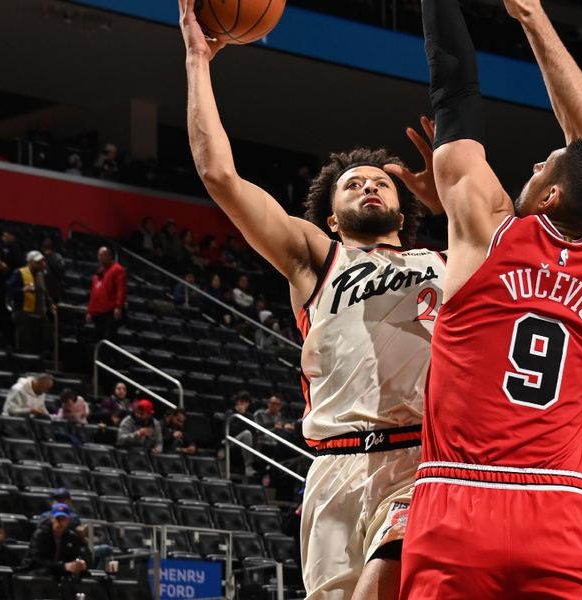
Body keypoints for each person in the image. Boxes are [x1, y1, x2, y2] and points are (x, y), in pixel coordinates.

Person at [179, 1, 446, 595]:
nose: (371, 185)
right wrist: (199, 59)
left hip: (420, 462)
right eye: (355, 184)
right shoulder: (316, 258)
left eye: (381, 181)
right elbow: (219, 176)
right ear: (331, 216)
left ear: (406, 208)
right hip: (333, 467)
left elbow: (513, 229)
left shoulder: (448, 262)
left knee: (387, 581)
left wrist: (453, 200)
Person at [399, 1, 582, 598]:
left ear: (552, 194)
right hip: (559, 509)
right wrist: (533, 17)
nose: (535, 163)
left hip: (459, 500)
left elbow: (453, 88)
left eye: (544, 166)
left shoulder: (487, 229)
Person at [21, 502, 90, 597]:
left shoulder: (71, 537)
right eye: (57, 519)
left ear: (68, 520)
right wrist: (63, 566)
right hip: (36, 572)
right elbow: (37, 560)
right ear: (52, 518)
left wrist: (81, 564)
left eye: (63, 519)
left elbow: (76, 556)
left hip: (58, 573)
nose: (60, 523)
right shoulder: (40, 535)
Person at [6, 250, 51, 355]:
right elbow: (10, 290)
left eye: (42, 262)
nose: (41, 264)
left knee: (40, 343)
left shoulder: (41, 275)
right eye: (38, 262)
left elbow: (44, 292)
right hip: (24, 313)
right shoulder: (20, 273)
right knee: (26, 344)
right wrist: (22, 290)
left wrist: (50, 303)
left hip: (39, 314)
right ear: (30, 262)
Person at [86, 247, 127, 343]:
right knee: (98, 339)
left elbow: (121, 290)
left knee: (109, 339)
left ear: (109, 256)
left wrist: (118, 307)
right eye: (98, 255)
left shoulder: (118, 270)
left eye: (102, 255)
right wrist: (89, 311)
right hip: (98, 313)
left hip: (110, 312)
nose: (99, 258)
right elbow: (93, 294)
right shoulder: (98, 273)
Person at [41, 237, 66, 305]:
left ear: (43, 247)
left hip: (44, 290)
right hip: (54, 291)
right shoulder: (58, 257)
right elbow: (62, 273)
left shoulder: (40, 258)